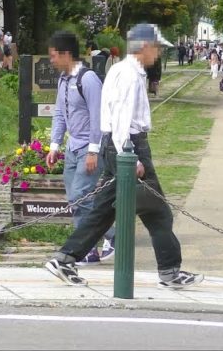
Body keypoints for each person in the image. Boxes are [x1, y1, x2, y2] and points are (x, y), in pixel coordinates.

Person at [45, 22, 204, 290]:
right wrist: (130, 157)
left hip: (115, 146)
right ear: (144, 47)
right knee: (159, 213)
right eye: (156, 48)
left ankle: (65, 258)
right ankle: (169, 272)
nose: (158, 54)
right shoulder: (129, 75)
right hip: (129, 146)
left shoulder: (123, 71)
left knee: (103, 211)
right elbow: (121, 119)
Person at [45, 31, 116, 265]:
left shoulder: (88, 80)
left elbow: (98, 116)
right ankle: (88, 250)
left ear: (66, 54)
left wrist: (94, 150)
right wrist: (54, 145)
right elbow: (59, 113)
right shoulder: (63, 80)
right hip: (72, 146)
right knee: (75, 199)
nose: (52, 60)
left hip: (90, 145)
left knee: (80, 194)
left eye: (54, 56)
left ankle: (114, 235)